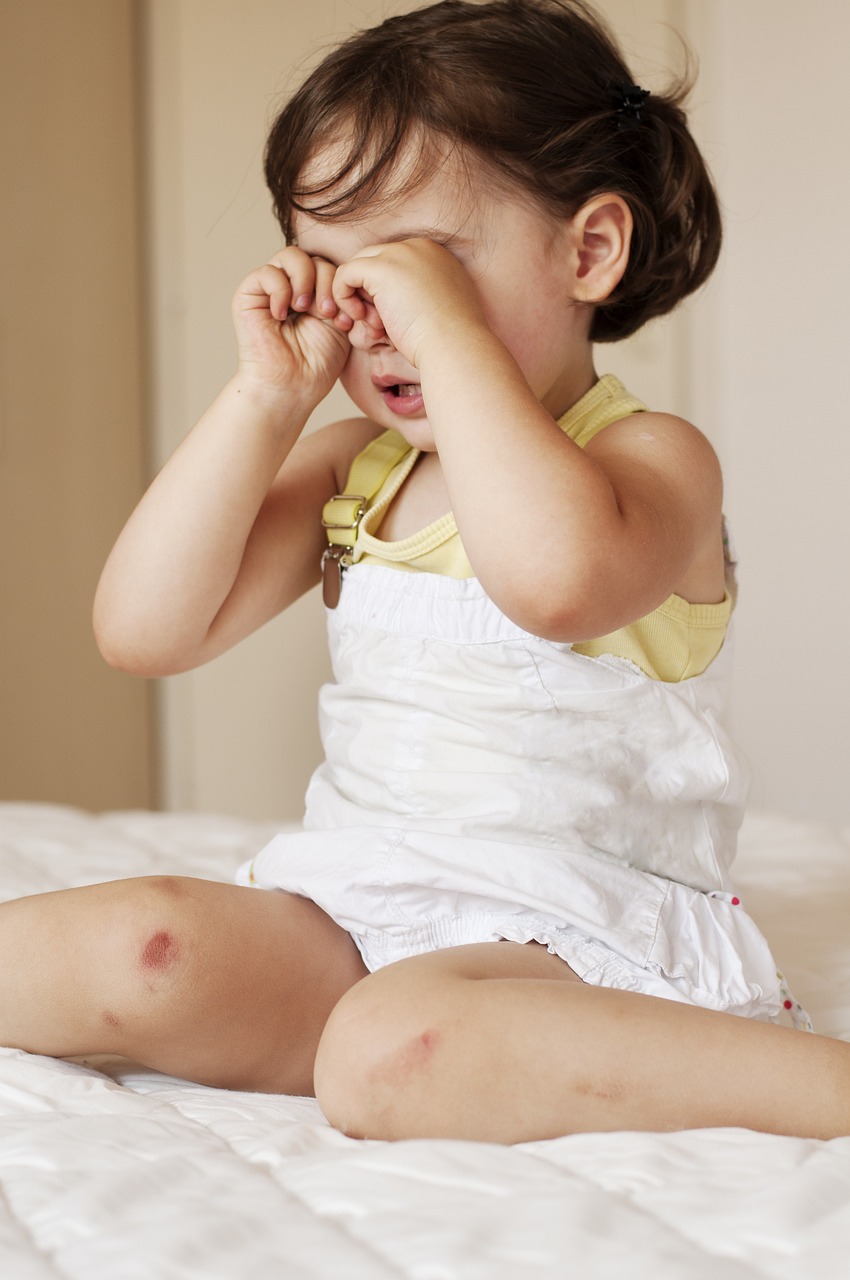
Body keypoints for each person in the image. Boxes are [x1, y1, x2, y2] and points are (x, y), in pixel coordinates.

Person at [2, 0, 848, 1143]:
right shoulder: (359, 464)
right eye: (341, 274)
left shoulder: (647, 460)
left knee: (387, 1055)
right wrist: (267, 396)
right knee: (140, 940)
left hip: (570, 940)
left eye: (423, 266)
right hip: (348, 918)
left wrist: (447, 338)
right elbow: (146, 631)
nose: (378, 315)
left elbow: (553, 582)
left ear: (587, 250)